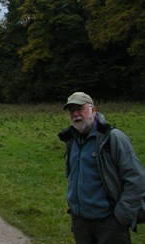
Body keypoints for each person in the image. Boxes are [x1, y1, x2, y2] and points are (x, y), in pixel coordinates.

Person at [58, 91, 145, 244]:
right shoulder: (72, 139)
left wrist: (122, 216)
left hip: (109, 222)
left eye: (80, 108)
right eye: (72, 110)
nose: (75, 114)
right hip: (80, 222)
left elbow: (136, 179)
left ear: (93, 110)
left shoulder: (113, 138)